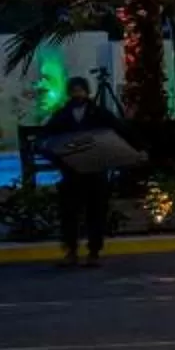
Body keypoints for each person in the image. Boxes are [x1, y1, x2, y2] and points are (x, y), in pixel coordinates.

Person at [42, 87, 123, 267]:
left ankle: (93, 251)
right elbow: (48, 137)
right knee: (69, 212)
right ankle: (71, 250)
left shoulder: (99, 114)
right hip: (72, 172)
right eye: (74, 91)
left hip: (95, 171)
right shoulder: (62, 116)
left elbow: (117, 131)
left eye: (80, 91)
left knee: (96, 211)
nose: (77, 95)